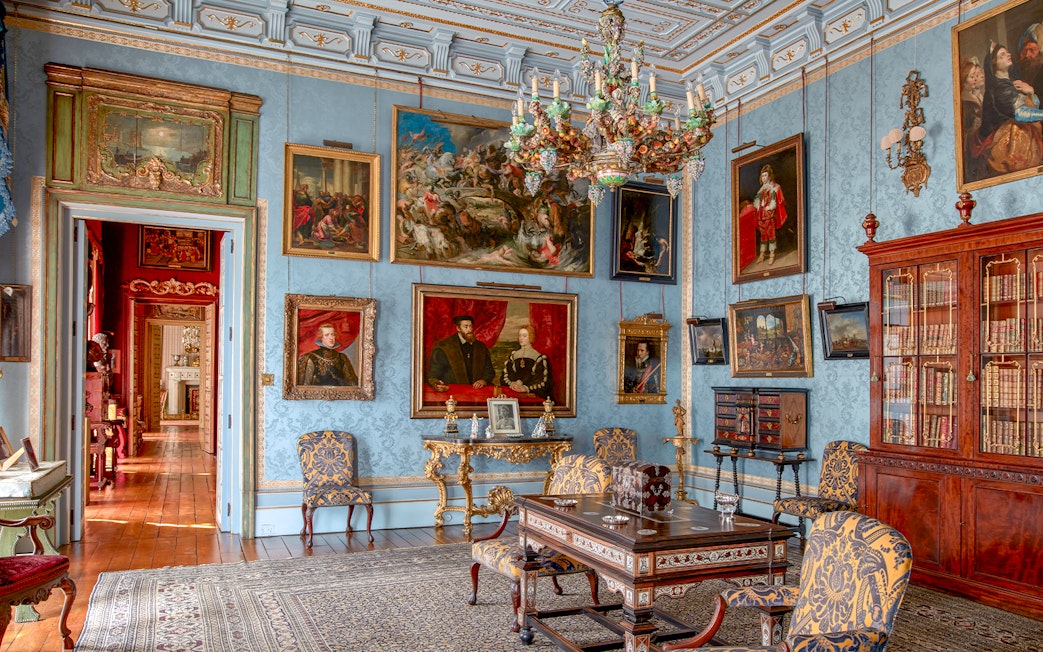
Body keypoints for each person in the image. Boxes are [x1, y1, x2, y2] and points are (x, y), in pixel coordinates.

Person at [976, 42, 1043, 176]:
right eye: (1002, 55)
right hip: (1008, 144)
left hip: (1027, 136)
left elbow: (1032, 105)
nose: (1008, 55)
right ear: (994, 64)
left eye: (1007, 52)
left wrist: (1030, 92)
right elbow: (1020, 114)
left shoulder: (1013, 83)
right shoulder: (999, 89)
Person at [427, 315, 494, 391]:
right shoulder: (445, 347)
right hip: (453, 391)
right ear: (458, 328)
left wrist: (484, 380)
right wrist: (438, 383)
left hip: (476, 391)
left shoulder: (480, 347)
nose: (470, 330)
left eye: (471, 326)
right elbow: (434, 375)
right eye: (466, 327)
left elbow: (489, 371)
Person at [748, 164, 787, 266]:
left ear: (769, 176)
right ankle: (762, 254)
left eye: (765, 175)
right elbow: (756, 201)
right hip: (761, 215)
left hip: (769, 215)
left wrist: (769, 208)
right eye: (762, 176)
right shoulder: (761, 190)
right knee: (763, 236)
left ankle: (772, 254)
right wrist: (757, 206)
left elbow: (774, 202)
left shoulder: (773, 188)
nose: (764, 177)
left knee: (771, 235)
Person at [500, 324, 552, 398]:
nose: (521, 338)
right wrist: (512, 383)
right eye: (520, 336)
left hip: (530, 395)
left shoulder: (538, 358)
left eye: (524, 336)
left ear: (530, 337)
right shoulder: (513, 356)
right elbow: (505, 376)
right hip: (514, 393)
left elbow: (543, 383)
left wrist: (526, 388)